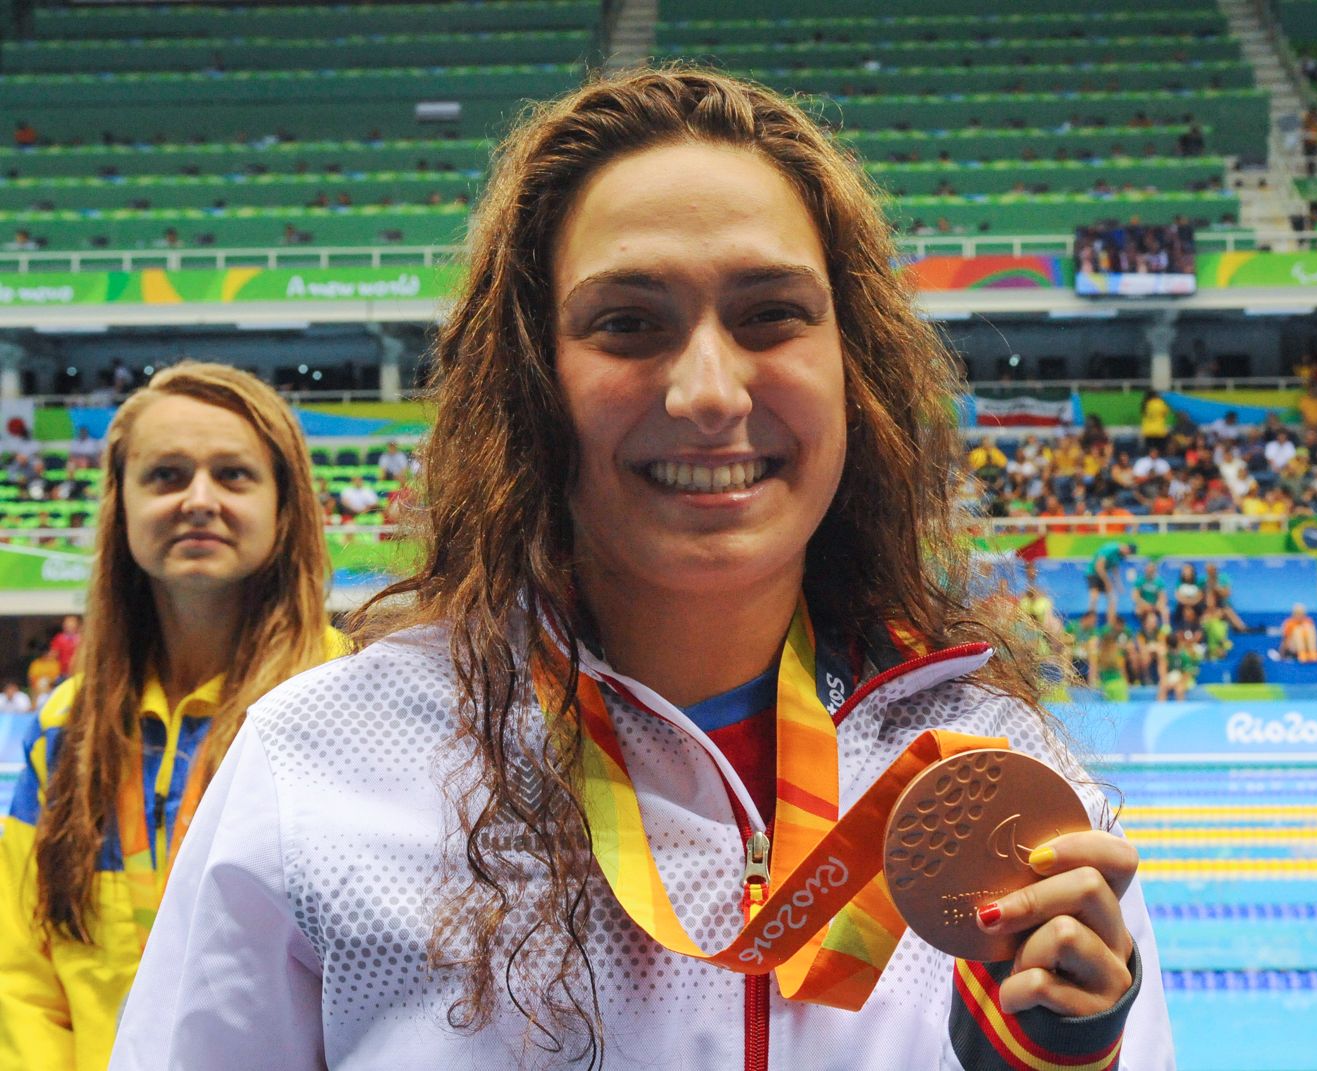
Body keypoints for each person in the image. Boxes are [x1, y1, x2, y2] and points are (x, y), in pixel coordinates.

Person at [112, 70, 1173, 1070]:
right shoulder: (320, 765)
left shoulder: (996, 783)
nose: (707, 392)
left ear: (853, 366)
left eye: (771, 314)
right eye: (628, 324)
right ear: (531, 378)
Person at [0, 362, 346, 1070]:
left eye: (234, 474)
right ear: (120, 505)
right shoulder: (64, 731)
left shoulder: (347, 711)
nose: (198, 499)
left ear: (285, 507)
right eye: (164, 475)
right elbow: (23, 984)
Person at [1086, 539, 1136, 623]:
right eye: (1128, 553)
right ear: (1126, 548)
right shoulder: (1110, 549)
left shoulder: (1120, 555)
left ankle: (1110, 624)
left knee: (1113, 598)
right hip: (1093, 573)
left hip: (1103, 574)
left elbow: (1114, 568)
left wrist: (1119, 584)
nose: (1127, 556)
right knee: (1094, 597)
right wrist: (1107, 582)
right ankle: (1089, 622)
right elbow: (1098, 567)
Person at [48, 613, 82, 680]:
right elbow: (54, 654)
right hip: (63, 673)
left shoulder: (82, 638)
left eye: (72, 622)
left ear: (77, 624)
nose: (69, 625)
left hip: (78, 671)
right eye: (67, 623)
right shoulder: (59, 638)